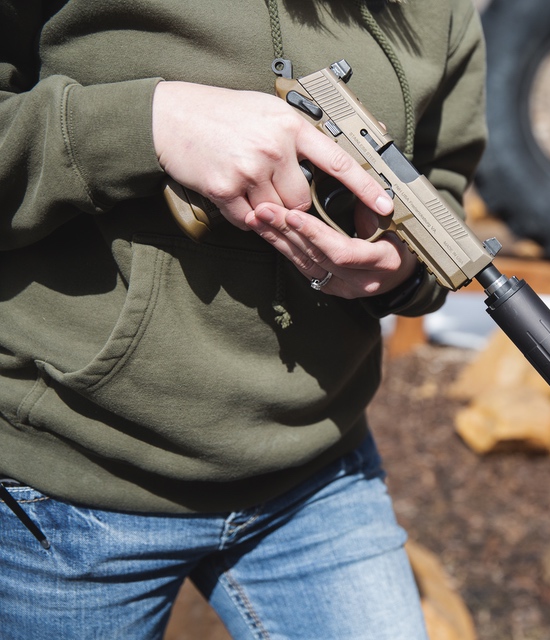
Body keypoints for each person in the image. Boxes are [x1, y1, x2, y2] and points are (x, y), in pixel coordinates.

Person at [0, 0, 486, 637]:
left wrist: (398, 264)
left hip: (319, 472)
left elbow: (440, 185)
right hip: (74, 486)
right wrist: (151, 123)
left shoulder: (440, 11)